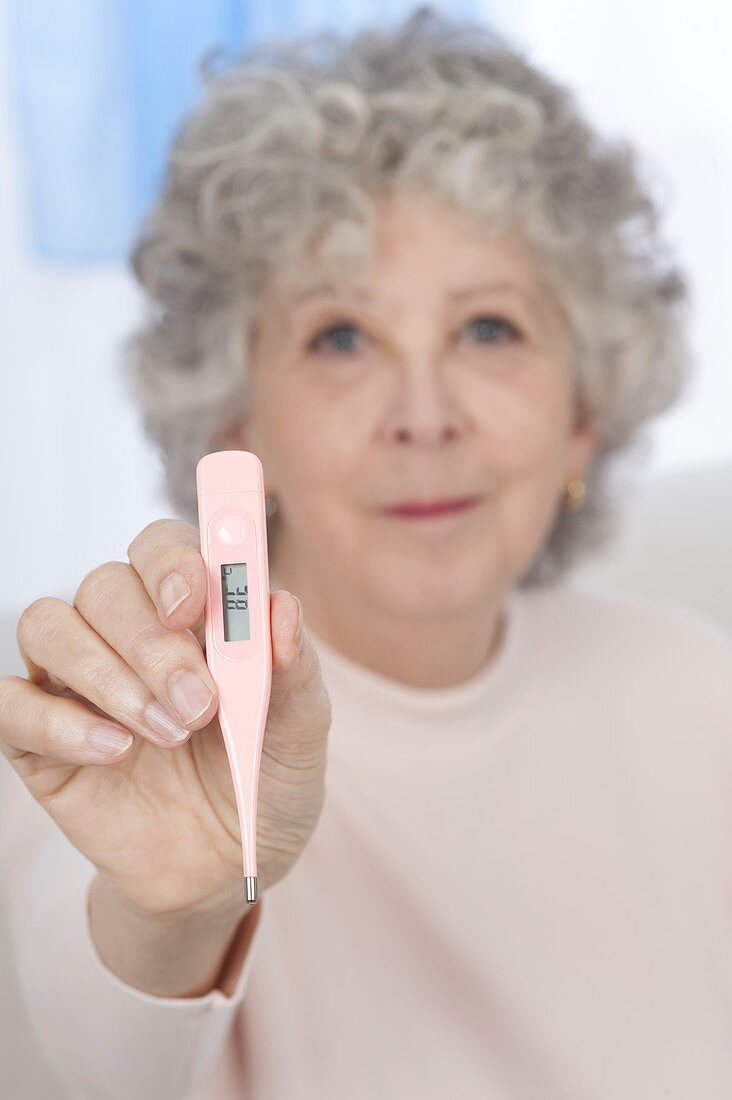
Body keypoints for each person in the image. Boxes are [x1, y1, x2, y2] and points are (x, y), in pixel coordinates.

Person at [2, 7, 732, 1099]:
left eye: (490, 329)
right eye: (340, 337)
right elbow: (82, 1057)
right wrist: (178, 911)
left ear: (584, 410)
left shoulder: (696, 691)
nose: (424, 414)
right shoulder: (112, 718)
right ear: (236, 427)